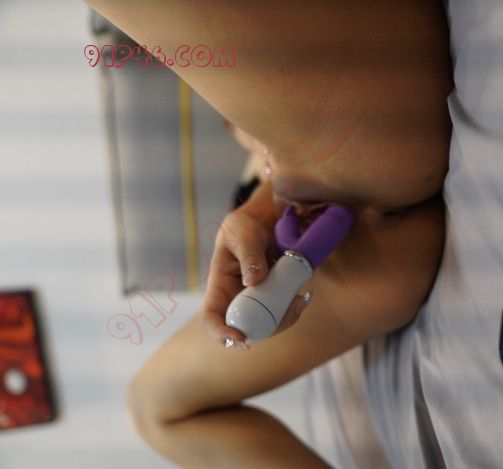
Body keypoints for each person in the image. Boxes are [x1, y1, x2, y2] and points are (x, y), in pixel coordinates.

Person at [84, 0, 453, 466]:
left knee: (153, 410)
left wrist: (267, 193)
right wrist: (264, 201)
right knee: (150, 409)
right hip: (361, 201)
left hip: (366, 204)